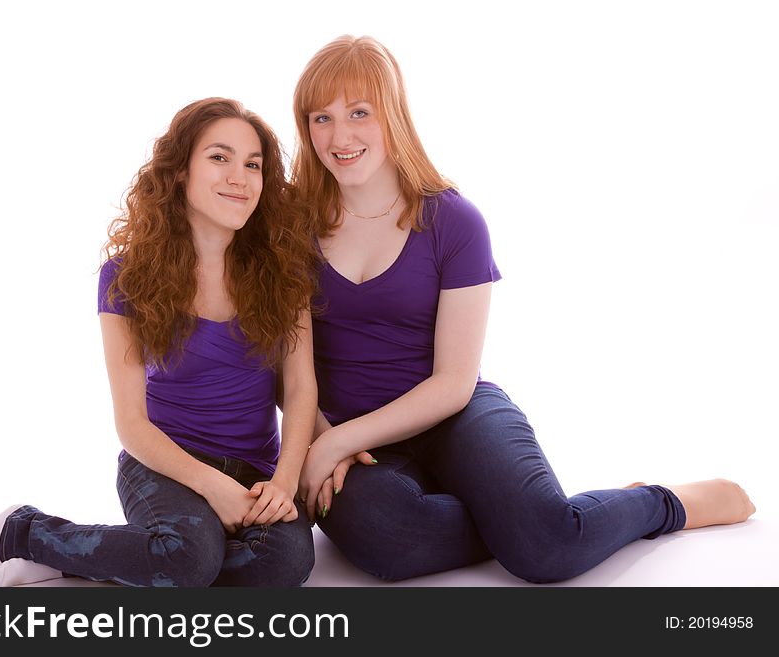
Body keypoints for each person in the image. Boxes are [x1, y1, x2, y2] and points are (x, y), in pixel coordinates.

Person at [292, 35, 756, 583]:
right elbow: (287, 367)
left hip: (456, 415)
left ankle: (655, 503)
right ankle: (531, 521)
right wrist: (324, 438)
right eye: (321, 117)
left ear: (392, 115)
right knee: (388, 542)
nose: (339, 135)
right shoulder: (290, 227)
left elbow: (454, 383)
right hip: (353, 434)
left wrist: (333, 446)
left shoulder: (455, 222)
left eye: (358, 113)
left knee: (548, 552)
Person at [0, 97, 319, 587]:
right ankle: (22, 531)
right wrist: (211, 486)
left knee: (285, 564)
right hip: (161, 463)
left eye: (253, 164)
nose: (239, 177)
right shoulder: (126, 276)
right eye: (219, 157)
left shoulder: (285, 272)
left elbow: (301, 389)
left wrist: (283, 481)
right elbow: (132, 423)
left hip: (254, 469)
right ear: (180, 172)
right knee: (189, 559)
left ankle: (86, 556)